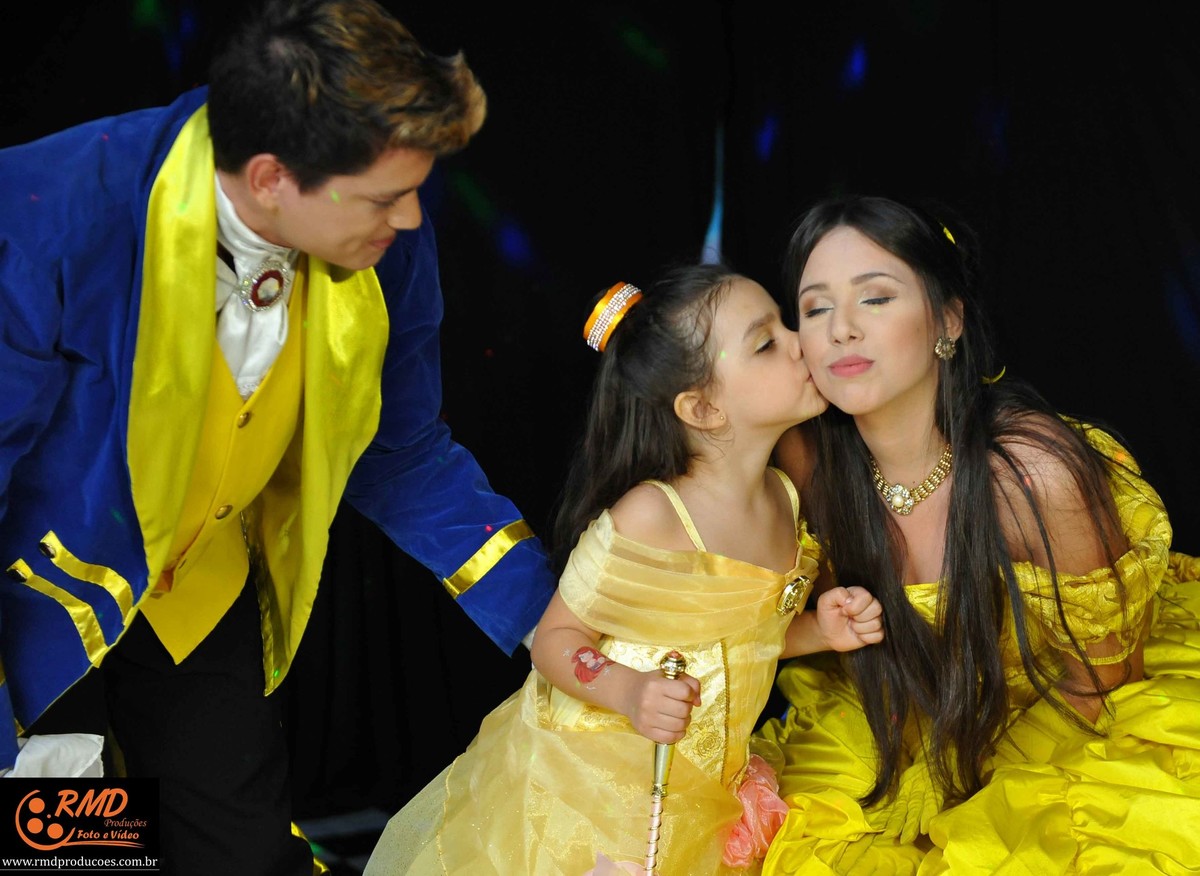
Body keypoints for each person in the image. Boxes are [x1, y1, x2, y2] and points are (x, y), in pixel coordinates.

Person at [0, 1, 557, 872]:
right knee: (76, 858)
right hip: (31, 609)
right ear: (270, 177)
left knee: (245, 857)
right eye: (388, 196)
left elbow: (399, 452)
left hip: (200, 591)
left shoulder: (384, 243)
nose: (412, 219)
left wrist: (544, 618)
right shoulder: (45, 219)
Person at [363, 266, 886, 874]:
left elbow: (739, 644)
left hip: (707, 794)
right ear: (703, 408)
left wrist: (819, 631)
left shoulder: (784, 498)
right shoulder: (650, 517)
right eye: (767, 342)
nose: (802, 342)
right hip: (599, 798)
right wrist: (630, 692)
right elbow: (556, 640)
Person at [758, 194, 1200, 874]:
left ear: (949, 320)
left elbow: (1105, 688)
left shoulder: (1032, 476)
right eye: (816, 309)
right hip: (901, 715)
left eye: (875, 299)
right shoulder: (807, 457)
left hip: (1067, 720)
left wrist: (968, 786)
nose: (841, 329)